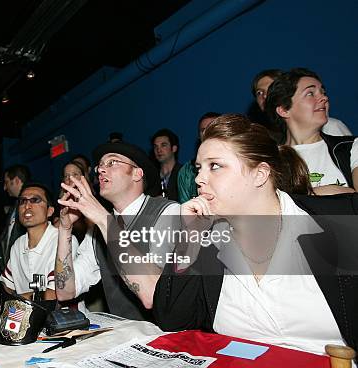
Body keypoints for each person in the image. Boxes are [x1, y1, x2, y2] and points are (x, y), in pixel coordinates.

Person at [152, 114, 358, 357]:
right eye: (199, 168)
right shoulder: (205, 242)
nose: (199, 179)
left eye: (214, 166)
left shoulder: (341, 222)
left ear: (260, 174)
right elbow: (173, 321)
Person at [55, 141, 180, 320]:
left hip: (166, 339)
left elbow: (153, 294)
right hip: (125, 340)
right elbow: (65, 291)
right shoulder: (98, 231)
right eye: (100, 166)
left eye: (112, 162)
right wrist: (65, 229)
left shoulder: (167, 212)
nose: (100, 170)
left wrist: (101, 217)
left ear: (137, 174)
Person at [265, 68, 356, 195]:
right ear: (284, 110)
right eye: (310, 93)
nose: (324, 98)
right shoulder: (271, 162)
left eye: (323, 92)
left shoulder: (350, 147)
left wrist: (299, 198)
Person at [0, 183, 79, 301]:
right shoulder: (18, 245)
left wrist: (6, 300)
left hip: (63, 318)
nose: (27, 205)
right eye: (22, 201)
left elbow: (53, 295)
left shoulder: (63, 241)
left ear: (50, 211)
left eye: (35, 200)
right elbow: (6, 285)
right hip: (27, 318)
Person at [250, 68, 352, 139]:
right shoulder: (260, 138)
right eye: (259, 92)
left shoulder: (332, 128)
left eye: (271, 89)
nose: (265, 96)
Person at [177, 112, 221, 203]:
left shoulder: (239, 162)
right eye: (203, 130)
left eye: (212, 129)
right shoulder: (187, 171)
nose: (207, 133)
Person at [0, 164, 30, 272]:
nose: (5, 188)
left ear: (17, 180)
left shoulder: (29, 207)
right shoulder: (15, 206)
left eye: (6, 182)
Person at [150, 129, 181, 200]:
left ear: (174, 148)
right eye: (155, 146)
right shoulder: (151, 175)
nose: (158, 150)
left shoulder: (184, 173)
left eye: (163, 145)